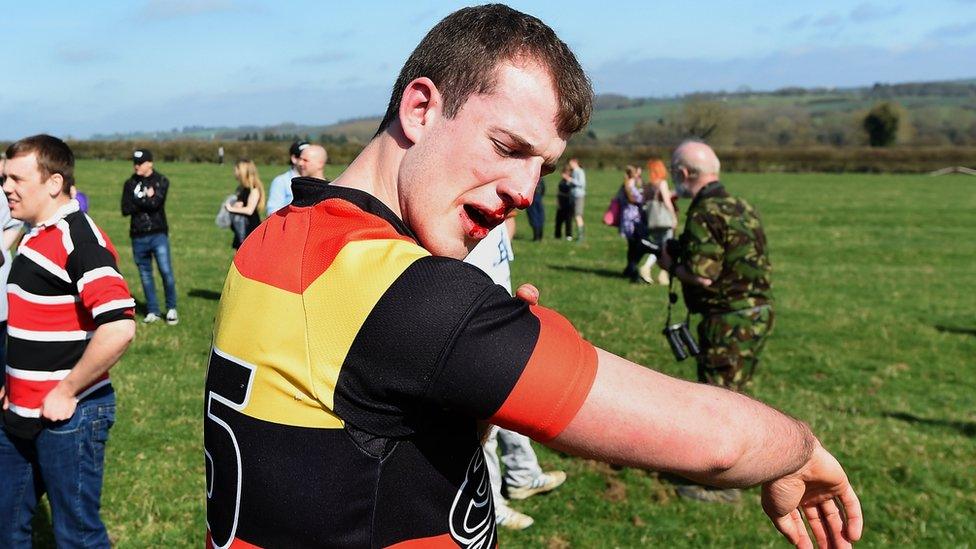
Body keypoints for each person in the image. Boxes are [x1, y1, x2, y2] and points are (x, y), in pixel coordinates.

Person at [204, 6, 861, 548]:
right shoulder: (411, 298)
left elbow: (349, 453)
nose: (524, 189)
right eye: (508, 147)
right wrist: (798, 450)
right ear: (421, 108)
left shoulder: (277, 236)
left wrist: (466, 402)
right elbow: (716, 443)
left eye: (542, 166)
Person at [0, 135, 136, 547]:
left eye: (17, 179)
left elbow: (119, 325)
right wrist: (12, 386)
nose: (7, 187)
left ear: (54, 183)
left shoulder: (78, 238)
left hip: (68, 418)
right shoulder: (36, 233)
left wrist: (68, 389)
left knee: (77, 536)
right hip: (19, 412)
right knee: (6, 524)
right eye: (5, 178)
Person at [464, 222, 566, 531]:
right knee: (484, 427)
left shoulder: (495, 210)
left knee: (513, 405)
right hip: (476, 327)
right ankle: (489, 504)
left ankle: (522, 475)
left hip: (502, 318)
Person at [660, 140, 774, 393]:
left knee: (719, 403)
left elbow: (703, 276)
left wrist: (670, 265)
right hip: (759, 312)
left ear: (683, 173)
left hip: (729, 320)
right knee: (738, 396)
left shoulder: (704, 211)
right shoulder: (741, 206)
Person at [121, 149, 178, 325]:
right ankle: (153, 311)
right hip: (137, 235)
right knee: (145, 275)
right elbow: (125, 209)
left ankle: (171, 308)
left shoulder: (161, 181)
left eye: (140, 162)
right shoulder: (129, 183)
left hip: (157, 233)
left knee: (166, 272)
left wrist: (138, 200)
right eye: (135, 163)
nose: (136, 166)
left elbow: (155, 204)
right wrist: (146, 199)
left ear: (150, 163)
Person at [637, 158, 678, 285]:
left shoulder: (648, 185)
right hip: (663, 219)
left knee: (659, 246)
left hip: (652, 219)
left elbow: (644, 201)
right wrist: (673, 217)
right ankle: (648, 267)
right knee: (664, 247)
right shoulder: (662, 183)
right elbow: (666, 202)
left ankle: (663, 275)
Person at [224, 160, 266, 249]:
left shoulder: (254, 189)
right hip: (241, 227)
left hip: (250, 228)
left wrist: (231, 208)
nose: (234, 172)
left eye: (236, 170)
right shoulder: (242, 188)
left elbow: (249, 210)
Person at [265, 140, 308, 216]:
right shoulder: (281, 181)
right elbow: (272, 211)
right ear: (294, 158)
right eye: (304, 158)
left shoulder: (318, 180)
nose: (306, 162)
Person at [620, 165, 645, 281]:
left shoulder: (630, 182)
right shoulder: (629, 184)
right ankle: (633, 269)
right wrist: (642, 200)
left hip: (630, 216)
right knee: (635, 244)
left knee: (632, 245)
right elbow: (632, 198)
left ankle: (629, 269)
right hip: (631, 218)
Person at [554, 165, 575, 240]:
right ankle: (557, 235)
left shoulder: (571, 181)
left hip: (569, 202)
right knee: (558, 220)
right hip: (561, 202)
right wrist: (557, 202)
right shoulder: (562, 181)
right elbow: (558, 192)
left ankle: (568, 235)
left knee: (568, 219)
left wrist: (568, 179)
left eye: (566, 173)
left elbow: (571, 189)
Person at [569, 157, 586, 241]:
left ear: (575, 162)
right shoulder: (574, 172)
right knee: (576, 216)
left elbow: (581, 183)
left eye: (570, 163)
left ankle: (581, 236)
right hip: (574, 196)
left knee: (578, 215)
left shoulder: (580, 171)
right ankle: (580, 235)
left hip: (579, 196)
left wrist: (570, 180)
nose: (570, 165)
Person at [525, 176, 545, 241]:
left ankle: (536, 236)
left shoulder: (529, 175)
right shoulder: (540, 175)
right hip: (538, 196)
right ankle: (540, 236)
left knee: (533, 216)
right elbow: (543, 187)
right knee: (540, 215)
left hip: (532, 195)